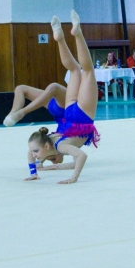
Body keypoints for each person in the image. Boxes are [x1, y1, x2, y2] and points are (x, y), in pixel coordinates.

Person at [25, 11, 99, 185]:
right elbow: (30, 151)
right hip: (70, 113)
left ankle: (77, 33)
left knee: (87, 71)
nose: (34, 156)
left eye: (36, 153)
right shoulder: (48, 139)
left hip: (81, 117)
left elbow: (82, 156)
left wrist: (73, 178)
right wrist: (35, 171)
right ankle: (59, 38)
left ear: (46, 147)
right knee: (75, 70)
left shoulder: (60, 146)